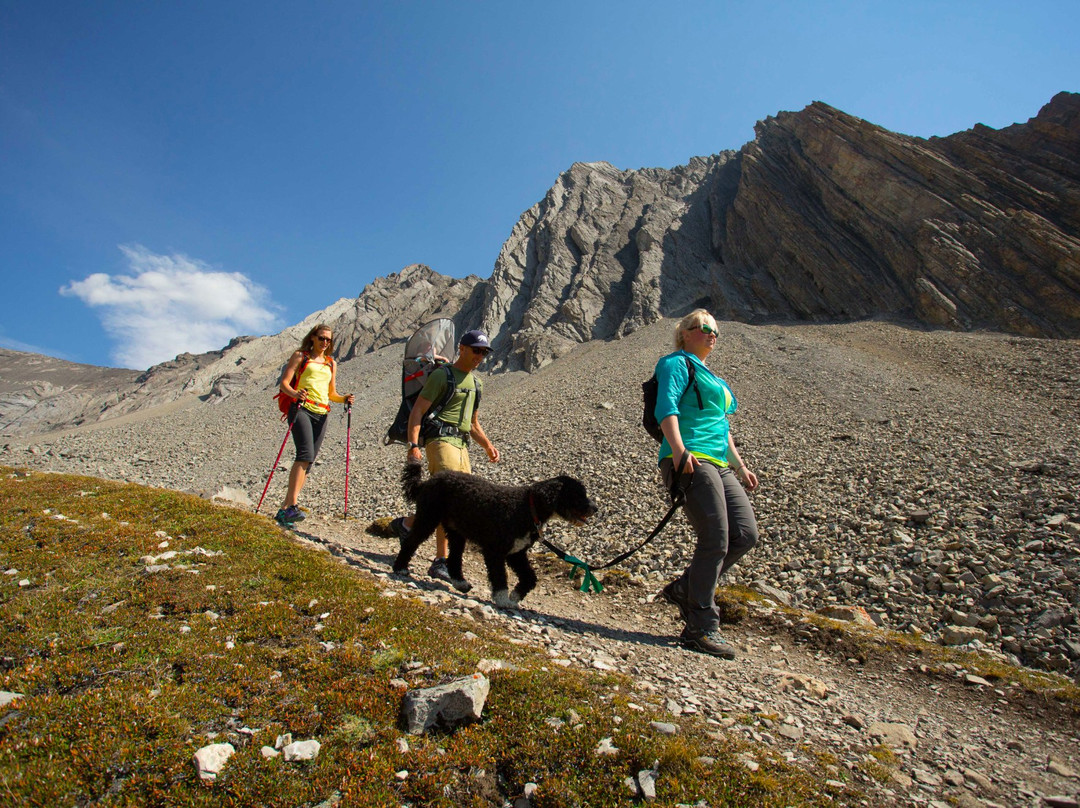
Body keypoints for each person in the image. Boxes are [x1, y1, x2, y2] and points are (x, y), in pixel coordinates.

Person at [653, 309, 759, 659]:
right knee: (715, 535)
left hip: (719, 463)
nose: (711, 334)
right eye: (703, 328)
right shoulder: (675, 363)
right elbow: (665, 407)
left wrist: (740, 466)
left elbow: (722, 426)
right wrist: (680, 451)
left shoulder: (714, 377)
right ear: (684, 333)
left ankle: (687, 588)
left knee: (744, 535)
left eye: (715, 330)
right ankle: (700, 625)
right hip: (690, 458)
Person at [391, 329, 500, 581]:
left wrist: (487, 445)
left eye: (484, 352)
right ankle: (441, 560)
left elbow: (473, 423)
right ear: (461, 348)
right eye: (476, 350)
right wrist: (413, 446)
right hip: (439, 440)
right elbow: (418, 412)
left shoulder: (477, 384)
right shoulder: (442, 375)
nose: (480, 356)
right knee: (449, 501)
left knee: (460, 505)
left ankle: (408, 525)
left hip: (462, 446)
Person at [274, 324, 354, 527]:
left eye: (328, 339)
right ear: (312, 338)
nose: (325, 342)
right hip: (301, 408)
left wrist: (344, 399)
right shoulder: (300, 357)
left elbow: (331, 393)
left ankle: (285, 510)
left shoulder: (331, 364)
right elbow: (284, 383)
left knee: (308, 462)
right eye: (321, 338)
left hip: (322, 412)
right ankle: (292, 506)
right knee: (304, 455)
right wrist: (295, 394)